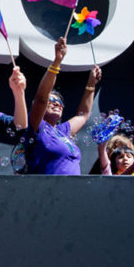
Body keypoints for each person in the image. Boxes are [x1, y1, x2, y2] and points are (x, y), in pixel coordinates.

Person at [26, 37, 101, 174]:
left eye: (60, 103)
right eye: (52, 101)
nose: (57, 105)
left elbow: (83, 115)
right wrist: (57, 61)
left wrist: (91, 84)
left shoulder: (62, 131)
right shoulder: (38, 127)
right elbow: (41, 98)